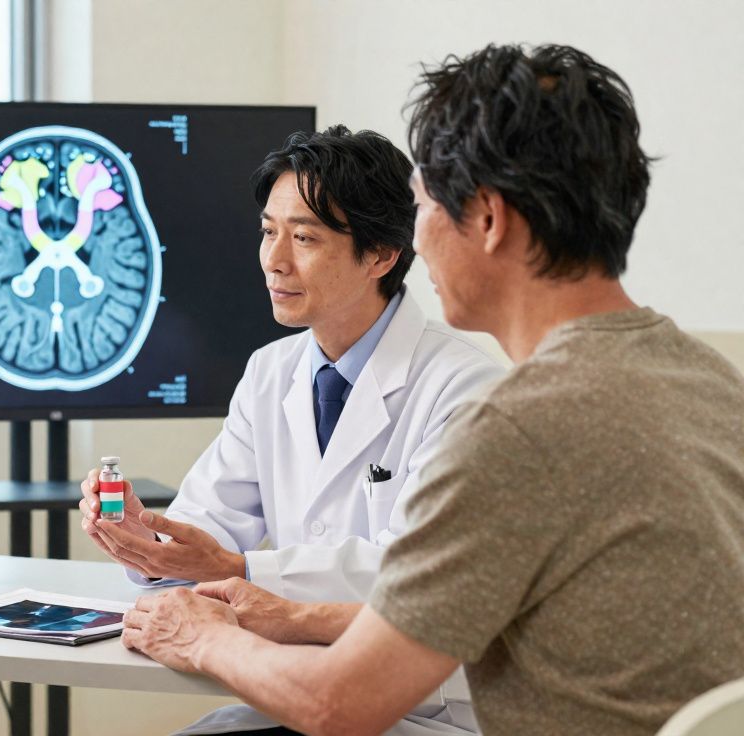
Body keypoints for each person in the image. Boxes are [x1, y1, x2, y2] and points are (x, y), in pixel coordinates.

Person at [118, 43, 744, 736]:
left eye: (422, 206)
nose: (414, 237)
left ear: (487, 218)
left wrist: (201, 635)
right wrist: (291, 612)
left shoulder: (516, 426)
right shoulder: (711, 382)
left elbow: (338, 704)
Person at [80, 125, 502, 733]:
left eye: (303, 237)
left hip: (429, 713)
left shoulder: (465, 391)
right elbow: (211, 528)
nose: (274, 262)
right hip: (296, 691)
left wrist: (244, 571)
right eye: (268, 232)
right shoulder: (271, 372)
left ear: (382, 254)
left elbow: (417, 581)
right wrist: (148, 538)